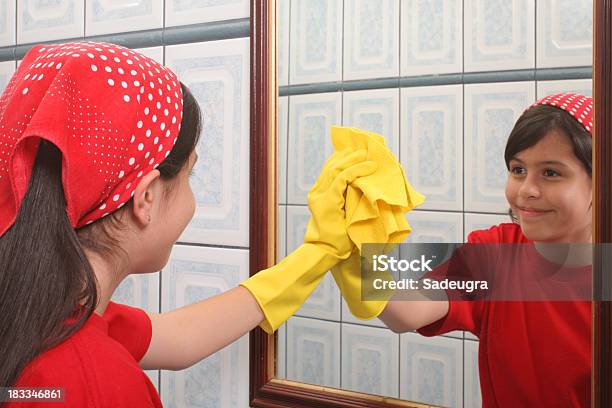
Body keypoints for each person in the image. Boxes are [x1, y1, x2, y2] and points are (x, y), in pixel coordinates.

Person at [0, 41, 380, 407]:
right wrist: (383, 252)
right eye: (191, 175)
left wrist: (317, 255)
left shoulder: (38, 310)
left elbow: (178, 336)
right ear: (145, 197)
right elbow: (413, 307)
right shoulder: (99, 384)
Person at [333, 92, 593, 407]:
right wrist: (346, 245)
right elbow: (406, 311)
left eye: (551, 173)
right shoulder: (495, 255)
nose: (526, 190)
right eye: (517, 170)